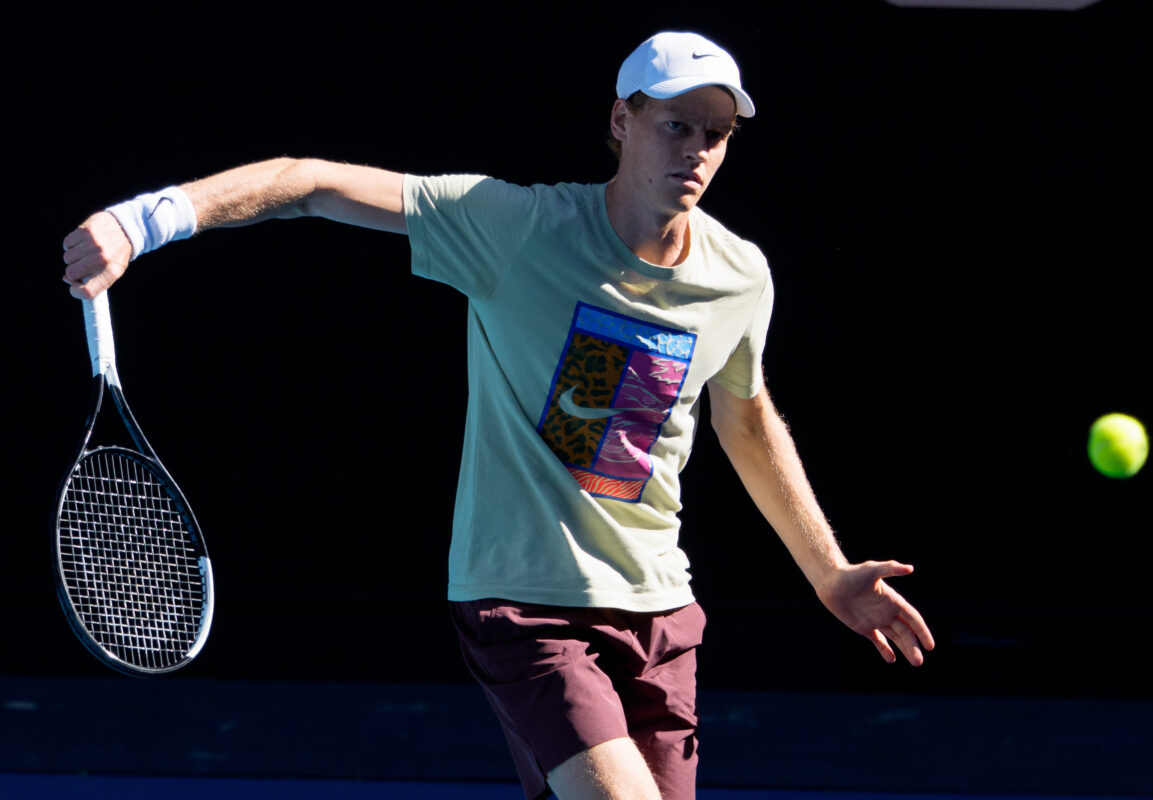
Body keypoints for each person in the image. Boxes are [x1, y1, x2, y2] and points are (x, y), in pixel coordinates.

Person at [62, 31, 934, 800]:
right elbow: (311, 184)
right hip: (525, 610)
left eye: (717, 133)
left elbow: (745, 419)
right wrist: (146, 221)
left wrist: (826, 571)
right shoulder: (514, 226)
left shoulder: (741, 275)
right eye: (676, 124)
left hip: (664, 615)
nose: (698, 149)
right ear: (622, 123)